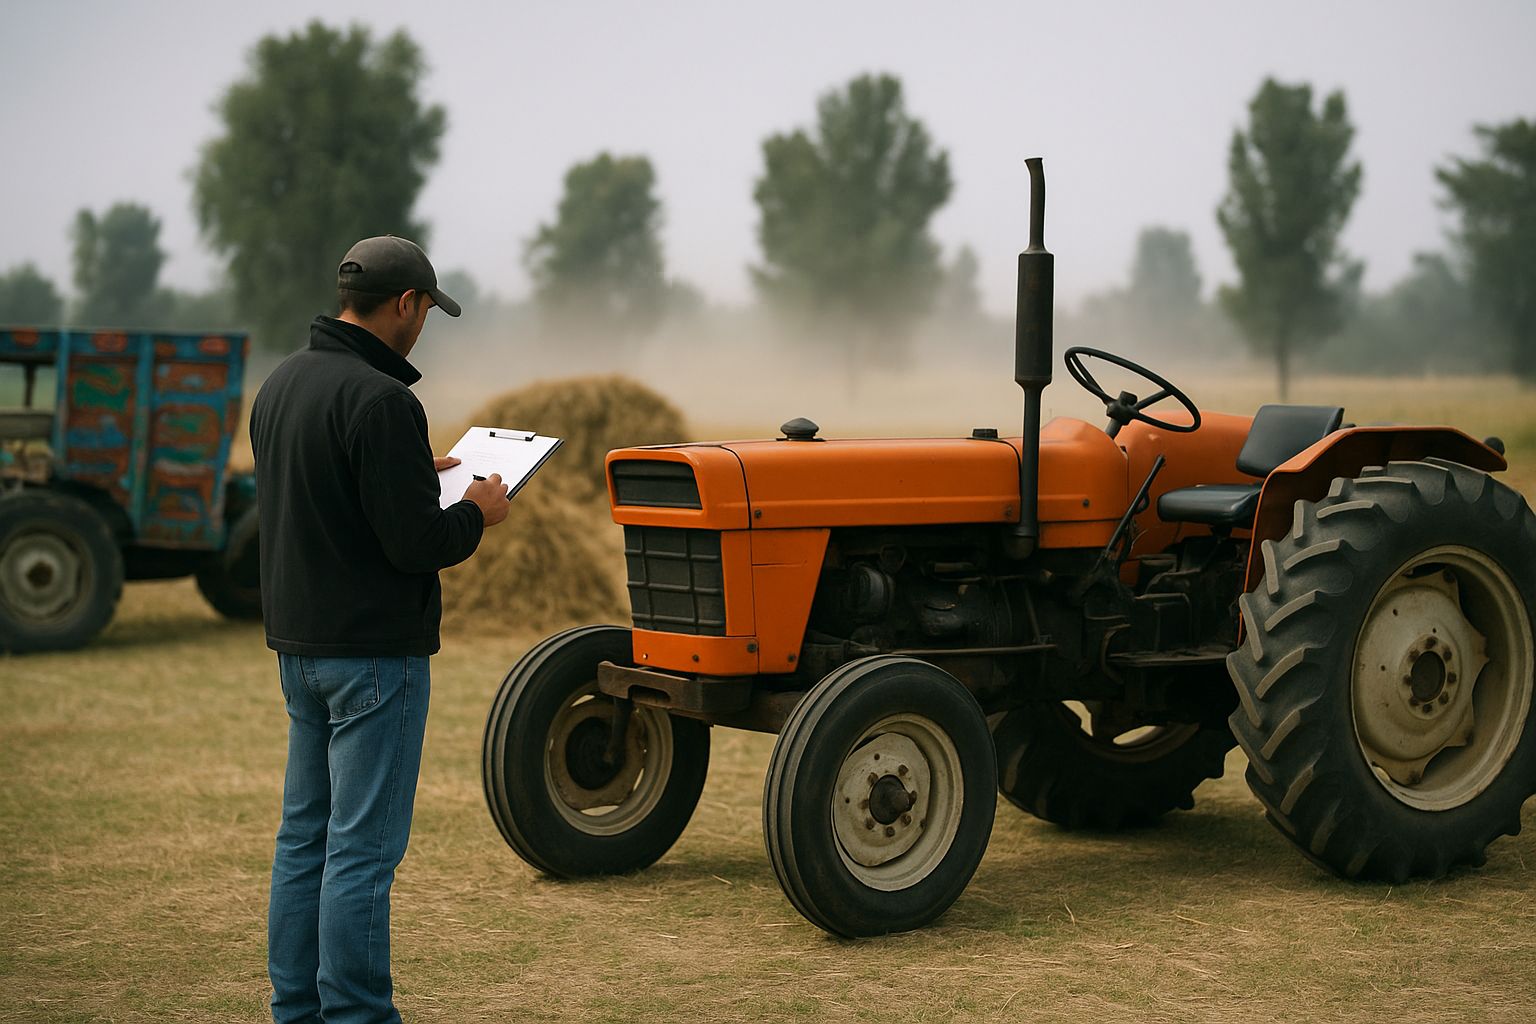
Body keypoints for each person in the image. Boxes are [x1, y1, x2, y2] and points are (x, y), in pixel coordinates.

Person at [250, 235, 510, 1024]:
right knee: (362, 852)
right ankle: (358, 1015)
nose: (423, 325)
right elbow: (416, 545)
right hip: (372, 658)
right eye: (426, 310)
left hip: (301, 648)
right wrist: (478, 510)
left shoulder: (282, 384)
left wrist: (409, 474)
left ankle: (297, 1010)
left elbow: (326, 491)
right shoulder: (384, 400)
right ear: (405, 303)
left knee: (305, 840)